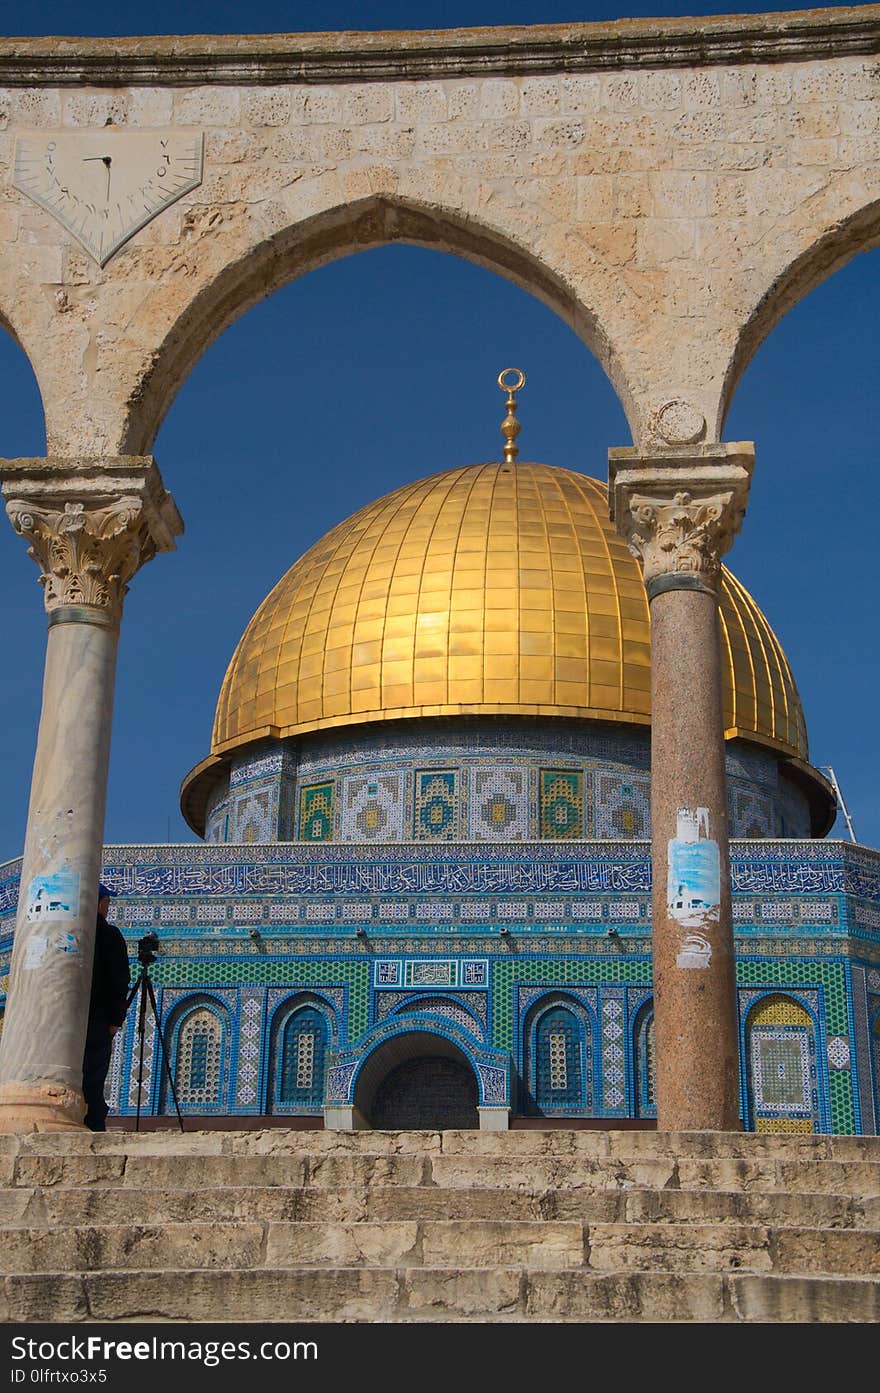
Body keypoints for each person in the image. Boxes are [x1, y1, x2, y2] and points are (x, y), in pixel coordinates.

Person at [81, 884, 131, 1131]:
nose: (109, 909)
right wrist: (115, 1020)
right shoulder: (108, 935)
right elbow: (119, 979)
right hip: (97, 1020)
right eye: (108, 904)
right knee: (92, 1076)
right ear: (100, 903)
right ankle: (92, 1125)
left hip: (63, 1021)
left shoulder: (71, 933)